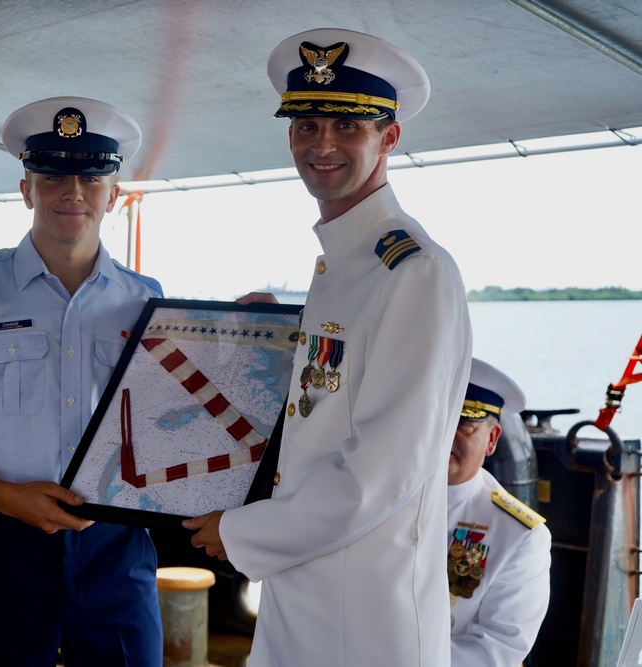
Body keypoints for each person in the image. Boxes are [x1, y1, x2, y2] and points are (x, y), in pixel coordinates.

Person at [184, 28, 473, 665]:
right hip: (305, 596)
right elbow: (325, 401)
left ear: (389, 137)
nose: (322, 145)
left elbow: (382, 471)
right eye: (306, 125)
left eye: (348, 127)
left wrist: (240, 530)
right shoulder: (342, 268)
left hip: (368, 618)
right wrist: (267, 346)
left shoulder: (413, 272)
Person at [0, 96, 163, 666]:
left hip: (117, 545)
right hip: (5, 545)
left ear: (113, 194)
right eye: (54, 174)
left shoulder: (149, 301)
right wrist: (10, 499)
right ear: (26, 189)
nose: (73, 190)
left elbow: (166, 432)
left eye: (92, 175)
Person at [448, 358, 551, 666]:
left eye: (464, 421)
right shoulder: (373, 498)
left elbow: (496, 650)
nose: (444, 434)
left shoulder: (519, 536)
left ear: (491, 439)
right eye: (437, 418)